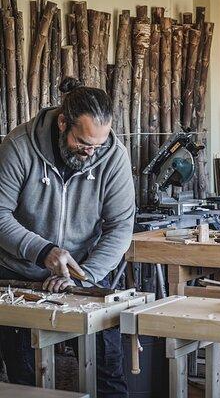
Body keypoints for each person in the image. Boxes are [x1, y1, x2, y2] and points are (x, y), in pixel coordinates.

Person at [0, 77, 135, 397]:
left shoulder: (113, 156)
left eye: (97, 146)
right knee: (25, 380)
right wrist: (42, 250)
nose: (91, 153)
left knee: (108, 373)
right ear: (63, 122)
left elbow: (121, 226)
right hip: (21, 276)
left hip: (84, 275)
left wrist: (85, 276)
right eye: (83, 142)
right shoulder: (19, 146)